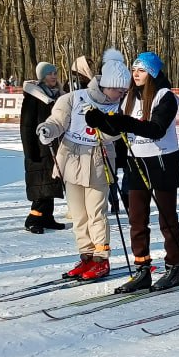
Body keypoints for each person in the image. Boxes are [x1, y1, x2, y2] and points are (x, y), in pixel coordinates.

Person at [94, 51, 179, 292]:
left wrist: (125, 123)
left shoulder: (165, 97)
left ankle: (173, 268)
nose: (135, 74)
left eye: (141, 70)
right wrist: (99, 121)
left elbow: (156, 129)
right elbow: (120, 127)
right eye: (134, 70)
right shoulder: (129, 98)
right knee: (137, 219)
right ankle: (142, 268)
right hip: (137, 162)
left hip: (162, 161)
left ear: (153, 73)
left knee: (167, 218)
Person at [36, 49, 132, 281]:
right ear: (106, 85)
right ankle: (86, 256)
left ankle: (101, 258)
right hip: (71, 159)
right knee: (78, 215)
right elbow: (58, 121)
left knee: (96, 213)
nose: (120, 95)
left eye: (123, 91)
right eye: (118, 90)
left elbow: (114, 135)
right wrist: (48, 130)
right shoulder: (73, 98)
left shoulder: (118, 105)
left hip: (98, 162)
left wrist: (106, 125)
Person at [20, 62, 68, 234]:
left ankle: (47, 217)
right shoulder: (34, 97)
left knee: (51, 183)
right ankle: (33, 219)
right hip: (39, 149)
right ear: (42, 77)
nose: (54, 76)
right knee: (41, 186)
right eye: (49, 74)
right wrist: (30, 151)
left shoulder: (58, 96)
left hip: (54, 147)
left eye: (55, 73)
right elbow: (26, 126)